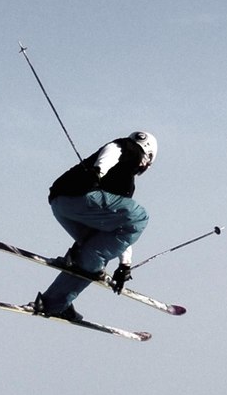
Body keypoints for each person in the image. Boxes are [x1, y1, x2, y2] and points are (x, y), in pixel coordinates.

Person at [35, 130, 157, 320]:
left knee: (94, 258)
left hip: (62, 204)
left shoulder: (125, 184)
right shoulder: (129, 149)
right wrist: (98, 171)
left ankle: (54, 303)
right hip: (79, 197)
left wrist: (125, 264)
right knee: (140, 217)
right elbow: (113, 150)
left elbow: (120, 227)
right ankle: (85, 260)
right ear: (148, 157)